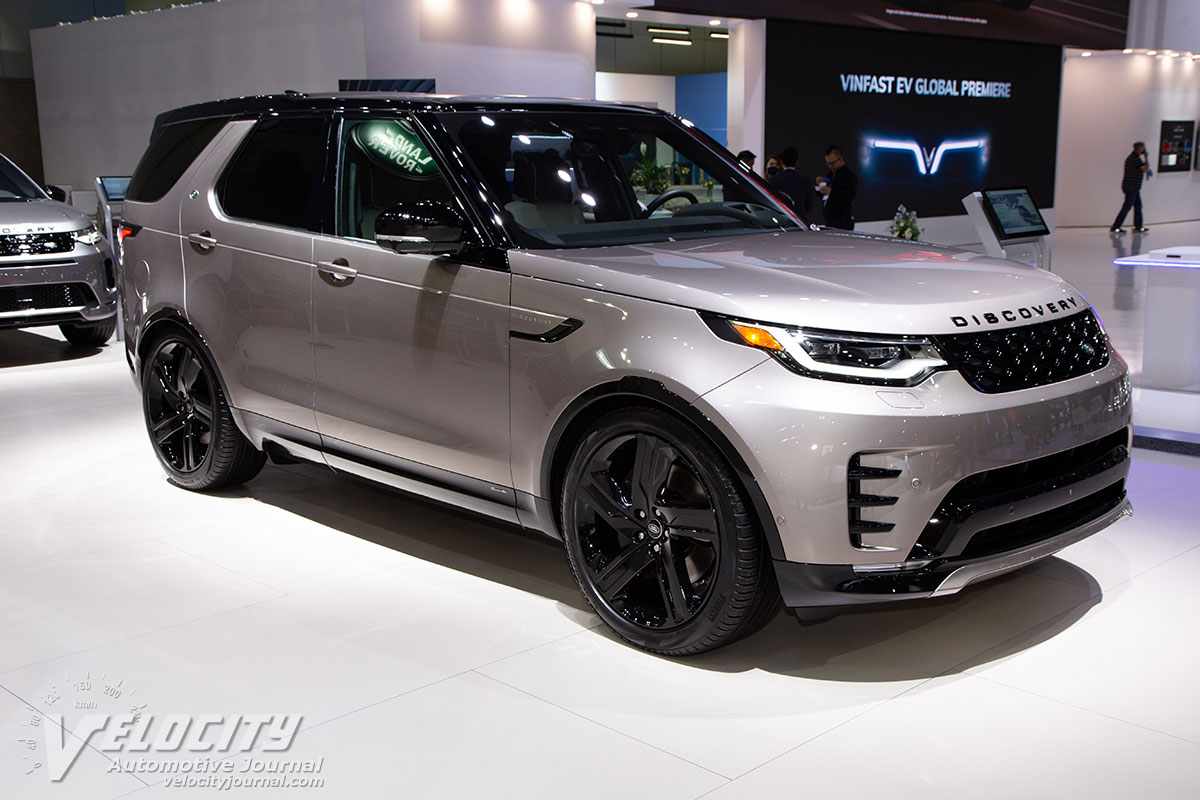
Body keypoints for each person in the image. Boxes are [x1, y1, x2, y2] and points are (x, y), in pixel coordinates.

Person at [1111, 141, 1150, 234]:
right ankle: (1116, 226)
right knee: (1127, 207)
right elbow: (1146, 169)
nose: (1144, 150)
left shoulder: (1134, 158)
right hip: (1131, 187)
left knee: (1137, 206)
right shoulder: (1134, 159)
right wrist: (1146, 157)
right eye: (1143, 148)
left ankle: (1138, 226)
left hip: (1133, 187)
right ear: (1139, 149)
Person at [768, 147, 816, 222]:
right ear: (797, 162)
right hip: (799, 221)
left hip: (780, 221)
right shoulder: (805, 180)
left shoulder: (773, 180)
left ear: (781, 162)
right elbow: (809, 205)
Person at [818, 145, 857, 230]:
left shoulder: (848, 176)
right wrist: (820, 185)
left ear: (840, 159)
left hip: (842, 220)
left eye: (832, 163)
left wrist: (831, 192)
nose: (830, 167)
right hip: (830, 219)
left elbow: (847, 196)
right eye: (828, 164)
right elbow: (823, 194)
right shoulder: (831, 174)